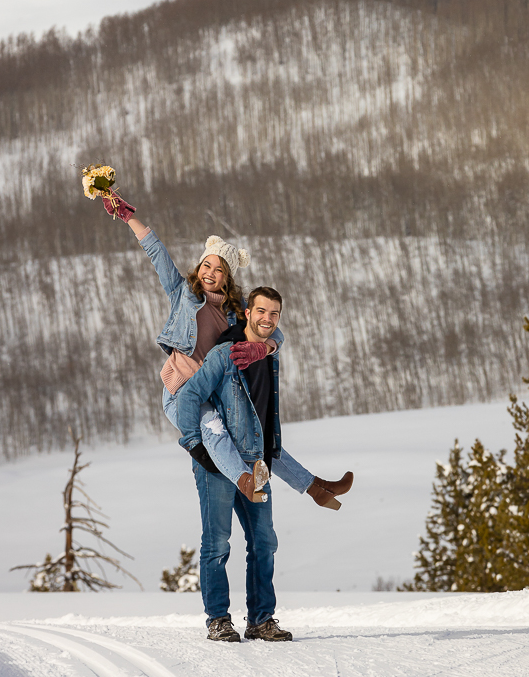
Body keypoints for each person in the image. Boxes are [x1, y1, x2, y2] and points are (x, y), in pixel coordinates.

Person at [96, 190, 352, 509]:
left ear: (227, 277)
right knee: (213, 428)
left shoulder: (238, 311)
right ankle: (246, 481)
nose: (209, 273)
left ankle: (315, 488)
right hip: (181, 392)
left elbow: (275, 331)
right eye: (206, 265)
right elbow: (156, 252)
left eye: (218, 270)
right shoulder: (183, 294)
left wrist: (266, 347)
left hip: (215, 392)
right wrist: (128, 216)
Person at [175, 284, 292, 641]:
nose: (267, 319)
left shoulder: (269, 353)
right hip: (217, 464)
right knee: (218, 542)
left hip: (255, 463)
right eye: (261, 311)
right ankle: (218, 620)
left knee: (264, 541)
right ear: (247, 312)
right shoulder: (225, 353)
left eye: (274, 314)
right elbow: (190, 395)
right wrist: (194, 444)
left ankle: (260, 620)